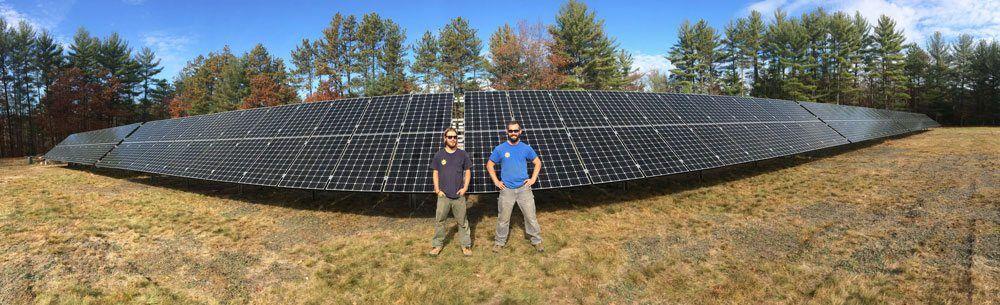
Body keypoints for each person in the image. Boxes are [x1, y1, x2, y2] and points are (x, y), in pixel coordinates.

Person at [486, 120, 544, 253]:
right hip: (506, 190)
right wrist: (496, 181)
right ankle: (499, 242)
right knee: (503, 219)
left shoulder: (526, 148)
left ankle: (536, 240)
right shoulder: (500, 149)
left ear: (520, 132)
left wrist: (533, 179)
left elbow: (537, 163)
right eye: (510, 131)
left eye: (515, 130)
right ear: (507, 132)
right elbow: (490, 165)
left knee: (531, 217)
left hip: (524, 189)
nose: (513, 133)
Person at [429, 127, 473, 256]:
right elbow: (435, 172)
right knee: (440, 221)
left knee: (462, 222)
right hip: (444, 196)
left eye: (455, 137)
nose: (453, 139)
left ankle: (466, 246)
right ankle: (437, 245)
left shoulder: (463, 154)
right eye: (450, 137)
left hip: (459, 196)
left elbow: (468, 171)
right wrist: (437, 190)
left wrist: (465, 188)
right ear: (445, 139)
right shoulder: (439, 155)